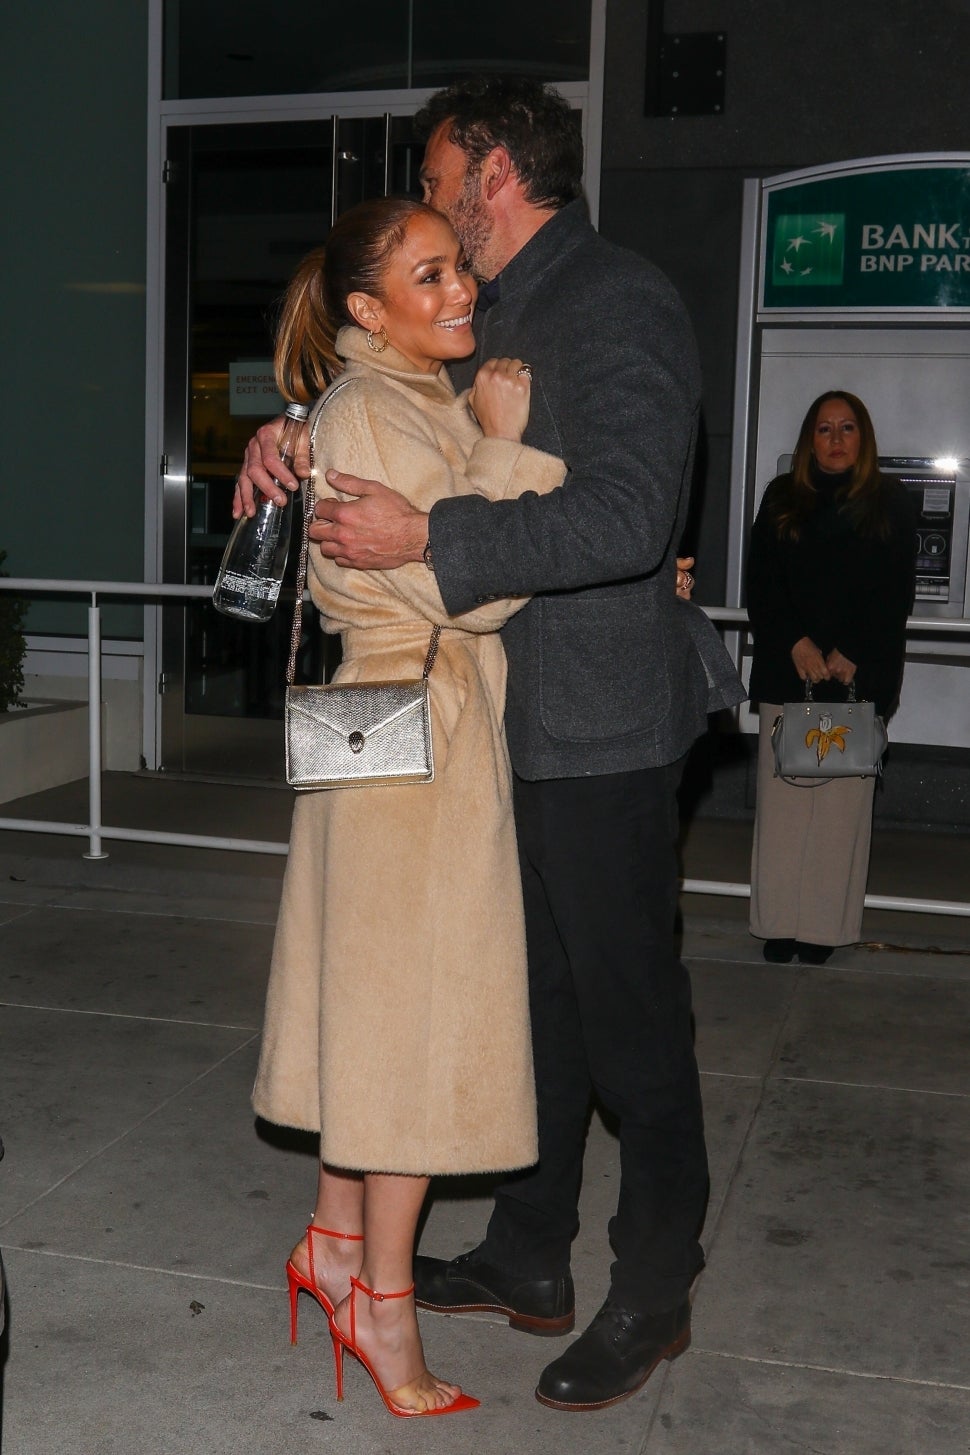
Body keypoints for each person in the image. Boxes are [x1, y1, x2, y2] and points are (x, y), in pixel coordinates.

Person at [238, 76, 744, 1414]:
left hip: (598, 724)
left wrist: (432, 537)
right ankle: (528, 1250)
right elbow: (398, 400)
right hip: (480, 729)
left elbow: (630, 516)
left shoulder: (617, 298)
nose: (431, 209)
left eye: (436, 177)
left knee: (631, 1021)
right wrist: (284, 437)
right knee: (532, 1008)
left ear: (493, 176)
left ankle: (653, 1282)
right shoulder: (487, 308)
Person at [251, 195, 566, 1419]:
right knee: (413, 1039)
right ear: (367, 311)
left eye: (455, 267)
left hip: (402, 735)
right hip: (412, 741)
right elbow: (470, 592)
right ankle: (383, 1306)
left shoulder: (390, 398)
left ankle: (334, 1249)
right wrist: (502, 447)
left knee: (376, 1009)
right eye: (426, 276)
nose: (458, 289)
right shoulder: (376, 409)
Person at [746, 390, 916, 965]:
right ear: (809, 440)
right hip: (788, 669)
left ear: (863, 438)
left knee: (840, 815)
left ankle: (821, 930)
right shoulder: (780, 497)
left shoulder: (889, 501)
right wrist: (794, 642)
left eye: (847, 428)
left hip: (855, 678)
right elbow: (762, 583)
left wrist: (853, 652)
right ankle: (779, 924)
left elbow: (894, 591)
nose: (836, 439)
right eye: (825, 429)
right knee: (783, 810)